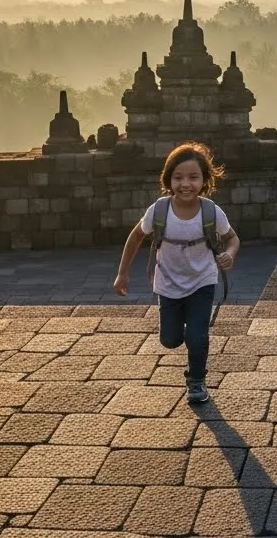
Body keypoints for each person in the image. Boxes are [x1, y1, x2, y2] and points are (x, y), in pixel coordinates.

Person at [113, 142, 238, 404]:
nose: (185, 184)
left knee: (197, 335)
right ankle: (184, 328)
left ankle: (196, 381)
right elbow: (136, 237)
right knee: (170, 339)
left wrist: (229, 254)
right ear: (168, 179)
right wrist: (123, 273)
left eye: (193, 177)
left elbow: (232, 238)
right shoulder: (159, 210)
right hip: (168, 283)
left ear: (204, 180)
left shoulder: (210, 211)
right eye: (178, 177)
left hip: (202, 281)